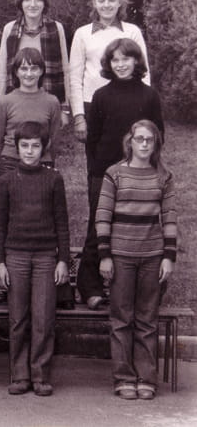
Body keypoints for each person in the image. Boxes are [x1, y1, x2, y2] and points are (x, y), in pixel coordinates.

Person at [77, 38, 163, 310]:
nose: (121, 64)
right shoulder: (101, 95)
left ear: (136, 61)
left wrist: (148, 167)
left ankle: (129, 285)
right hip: (103, 172)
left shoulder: (149, 96)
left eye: (126, 59)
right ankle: (89, 286)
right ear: (108, 64)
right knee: (98, 225)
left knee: (133, 226)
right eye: (115, 60)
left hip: (138, 171)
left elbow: (158, 135)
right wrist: (96, 172)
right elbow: (92, 139)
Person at [96, 120, 176, 401]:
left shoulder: (163, 176)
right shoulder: (114, 174)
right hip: (121, 257)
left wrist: (168, 257)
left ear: (155, 144)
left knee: (147, 320)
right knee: (121, 319)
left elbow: (170, 219)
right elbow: (103, 216)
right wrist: (105, 255)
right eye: (139, 139)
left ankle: (146, 378)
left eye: (149, 140)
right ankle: (124, 378)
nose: (144, 144)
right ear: (129, 141)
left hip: (152, 257)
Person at [0, 121, 70, 397]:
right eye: (24, 146)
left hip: (45, 257)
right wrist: (0, 262)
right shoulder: (7, 180)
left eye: (35, 146)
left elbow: (62, 222)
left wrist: (63, 260)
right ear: (16, 148)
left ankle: (40, 375)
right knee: (18, 318)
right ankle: (20, 375)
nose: (29, 151)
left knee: (43, 318)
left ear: (43, 148)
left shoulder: (54, 179)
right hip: (15, 256)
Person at [69, 0, 150, 144]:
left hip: (128, 102)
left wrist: (144, 106)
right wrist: (78, 116)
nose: (106, 5)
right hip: (92, 104)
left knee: (128, 152)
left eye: (111, 0)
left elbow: (144, 72)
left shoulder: (132, 31)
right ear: (94, 3)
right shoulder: (82, 33)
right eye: (101, 0)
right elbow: (75, 78)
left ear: (120, 3)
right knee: (97, 154)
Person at [0, 0, 70, 119]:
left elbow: (65, 70)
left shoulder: (56, 28)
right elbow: (2, 72)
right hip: (16, 104)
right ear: (21, 3)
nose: (33, 4)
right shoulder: (10, 29)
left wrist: (64, 108)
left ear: (44, 3)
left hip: (48, 102)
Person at [0, 48, 61, 177]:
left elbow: (54, 141)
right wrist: (3, 173)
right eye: (24, 69)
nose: (29, 74)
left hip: (42, 162)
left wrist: (47, 163)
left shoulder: (52, 102)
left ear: (41, 71)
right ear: (16, 72)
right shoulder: (4, 101)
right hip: (10, 163)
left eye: (34, 69)